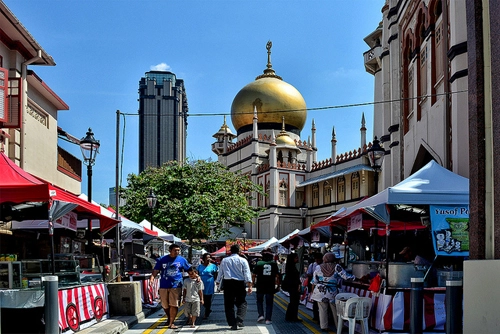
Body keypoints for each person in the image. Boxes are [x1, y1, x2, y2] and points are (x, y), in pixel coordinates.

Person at [310, 252, 355, 332]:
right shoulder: (336, 266)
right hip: (332, 292)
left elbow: (315, 280)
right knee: (335, 309)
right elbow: (346, 276)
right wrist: (355, 277)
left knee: (322, 309)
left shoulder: (318, 267)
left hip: (320, 291)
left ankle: (324, 326)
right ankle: (339, 325)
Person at [149, 243, 191, 329]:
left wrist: (196, 277)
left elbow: (189, 269)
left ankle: (171, 322)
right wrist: (152, 278)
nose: (177, 252)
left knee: (174, 304)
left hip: (176, 285)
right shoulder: (162, 259)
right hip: (164, 285)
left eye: (178, 250)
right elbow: (156, 270)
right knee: (165, 305)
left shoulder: (182, 260)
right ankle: (169, 318)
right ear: (170, 250)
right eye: (175, 250)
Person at [215, 244, 253, 330]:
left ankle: (232, 323)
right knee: (242, 302)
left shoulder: (224, 260)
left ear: (230, 251)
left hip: (228, 283)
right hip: (239, 283)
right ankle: (239, 319)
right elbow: (247, 273)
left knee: (229, 304)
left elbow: (220, 271)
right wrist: (249, 285)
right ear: (239, 251)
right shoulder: (243, 260)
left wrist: (217, 281)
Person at [252, 248, 280, 325]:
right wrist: (278, 285)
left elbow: (254, 275)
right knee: (269, 303)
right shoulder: (273, 263)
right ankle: (268, 319)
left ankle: (260, 315)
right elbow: (277, 276)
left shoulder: (259, 263)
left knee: (259, 301)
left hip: (260, 285)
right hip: (270, 286)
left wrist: (252, 284)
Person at [283, 252, 303, 322]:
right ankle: (293, 317)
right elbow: (294, 279)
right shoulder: (292, 268)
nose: (298, 259)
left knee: (293, 302)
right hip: (293, 287)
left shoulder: (290, 266)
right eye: (296, 258)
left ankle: (290, 316)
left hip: (291, 287)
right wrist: (298, 285)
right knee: (294, 302)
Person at [197, 253, 218, 319]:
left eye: (209, 258)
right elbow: (197, 274)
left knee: (208, 298)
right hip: (201, 282)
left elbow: (215, 274)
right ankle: (208, 308)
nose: (208, 259)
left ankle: (206, 312)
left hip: (209, 282)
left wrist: (214, 281)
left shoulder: (213, 266)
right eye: (206, 258)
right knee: (202, 297)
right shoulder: (200, 266)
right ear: (203, 259)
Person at [306, 252, 323, 322]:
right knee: (315, 302)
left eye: (318, 259)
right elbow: (308, 273)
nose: (317, 261)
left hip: (322, 285)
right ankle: (316, 316)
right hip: (314, 284)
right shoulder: (312, 265)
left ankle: (321, 317)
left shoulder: (323, 265)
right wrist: (314, 275)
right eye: (316, 259)